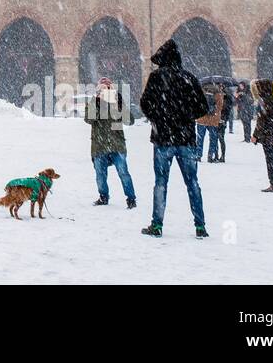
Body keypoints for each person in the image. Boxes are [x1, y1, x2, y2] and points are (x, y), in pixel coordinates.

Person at [139, 39, 210, 239]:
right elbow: (203, 108)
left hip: (163, 139)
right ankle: (200, 226)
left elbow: (145, 103)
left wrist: (158, 118)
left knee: (161, 182)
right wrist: (185, 116)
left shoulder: (156, 77)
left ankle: (157, 225)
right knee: (193, 183)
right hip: (186, 139)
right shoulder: (189, 78)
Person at [85, 77, 137, 208]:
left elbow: (129, 121)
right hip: (99, 145)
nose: (105, 92)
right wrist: (97, 101)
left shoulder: (118, 102)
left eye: (108, 88)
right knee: (100, 176)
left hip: (117, 144)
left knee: (123, 173)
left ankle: (131, 199)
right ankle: (103, 197)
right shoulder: (94, 102)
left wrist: (117, 104)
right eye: (102, 89)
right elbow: (89, 119)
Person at [252, 80, 273, 192]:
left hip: (268, 135)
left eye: (259, 87)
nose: (257, 90)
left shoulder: (263, 101)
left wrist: (255, 135)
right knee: (270, 158)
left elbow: (261, 121)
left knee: (269, 159)